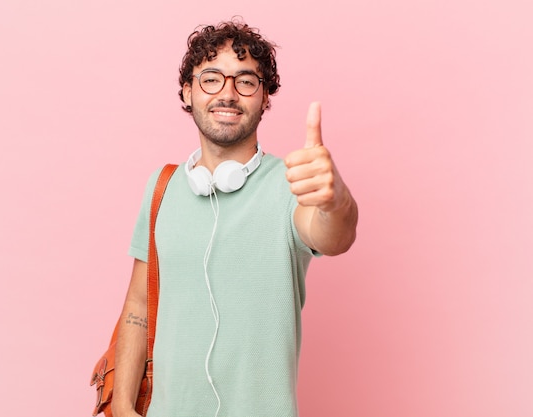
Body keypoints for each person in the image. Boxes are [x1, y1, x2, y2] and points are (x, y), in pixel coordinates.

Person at [112, 20, 358, 417]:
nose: (227, 93)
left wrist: (337, 201)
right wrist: (122, 407)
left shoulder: (291, 185)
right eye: (211, 78)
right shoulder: (162, 187)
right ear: (188, 92)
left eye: (245, 81)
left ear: (264, 99)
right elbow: (138, 306)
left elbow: (335, 235)